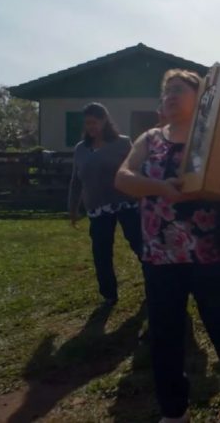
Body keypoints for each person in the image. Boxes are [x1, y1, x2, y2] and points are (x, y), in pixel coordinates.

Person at [115, 69, 220, 422]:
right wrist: (160, 187)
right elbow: (123, 178)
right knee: (164, 334)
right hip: (160, 253)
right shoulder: (149, 139)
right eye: (167, 91)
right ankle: (173, 411)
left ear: (202, 100)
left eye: (181, 89)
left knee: (219, 322)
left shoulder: (213, 137)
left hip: (209, 250)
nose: (172, 96)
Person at [68, 102, 142, 305]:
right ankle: (109, 294)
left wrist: (144, 196)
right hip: (97, 207)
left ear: (105, 121)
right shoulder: (81, 149)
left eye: (95, 122)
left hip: (125, 203)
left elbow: (136, 170)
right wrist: (73, 208)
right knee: (101, 251)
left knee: (139, 243)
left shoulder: (123, 143)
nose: (91, 126)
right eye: (87, 123)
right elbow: (76, 180)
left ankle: (155, 280)